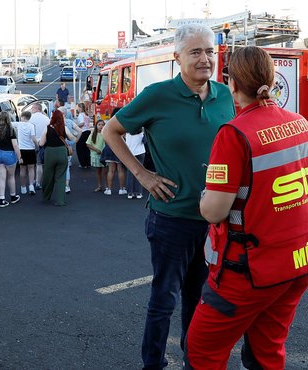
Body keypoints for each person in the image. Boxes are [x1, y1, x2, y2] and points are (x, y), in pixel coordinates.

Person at [186, 46, 308, 369]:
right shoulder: (300, 125)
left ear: (233, 85)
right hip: (298, 264)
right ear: (270, 80)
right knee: (266, 352)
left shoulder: (233, 134)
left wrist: (201, 197)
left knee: (201, 351)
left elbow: (213, 211)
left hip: (248, 272)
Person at [101, 23, 235, 369]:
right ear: (177, 58)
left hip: (214, 222)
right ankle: (153, 363)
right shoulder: (157, 95)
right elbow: (110, 130)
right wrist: (142, 174)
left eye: (209, 51)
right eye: (195, 52)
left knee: (199, 300)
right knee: (164, 299)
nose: (205, 59)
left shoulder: (226, 97)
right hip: (171, 219)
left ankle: (195, 361)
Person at [38, 109, 75, 206]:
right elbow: (72, 138)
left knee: (48, 176)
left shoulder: (47, 128)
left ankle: (46, 196)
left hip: (50, 152)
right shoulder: (65, 128)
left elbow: (41, 143)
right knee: (61, 177)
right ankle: (60, 200)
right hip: (62, 152)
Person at [17, 110, 38, 195]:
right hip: (30, 149)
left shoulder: (18, 124)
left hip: (21, 149)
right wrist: (37, 145)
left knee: (22, 169)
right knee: (31, 168)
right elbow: (33, 137)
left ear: (23, 117)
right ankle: (31, 186)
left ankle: (23, 187)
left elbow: (9, 123)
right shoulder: (32, 126)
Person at [29, 104, 50, 190]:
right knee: (39, 164)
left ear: (36, 108)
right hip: (43, 142)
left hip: (31, 144)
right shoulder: (46, 119)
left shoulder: (30, 118)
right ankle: (38, 182)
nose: (31, 109)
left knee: (31, 165)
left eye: (32, 108)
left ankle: (32, 181)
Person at [86, 119, 107, 192]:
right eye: (99, 125)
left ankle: (107, 186)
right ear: (96, 126)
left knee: (105, 172)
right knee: (98, 172)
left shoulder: (105, 134)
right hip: (96, 155)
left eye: (102, 125)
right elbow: (88, 144)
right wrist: (96, 150)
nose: (101, 126)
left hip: (104, 155)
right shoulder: (93, 134)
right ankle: (99, 186)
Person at [124, 131, 146, 199]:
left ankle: (130, 193)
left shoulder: (126, 130)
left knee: (130, 173)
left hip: (129, 152)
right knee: (140, 173)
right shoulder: (141, 129)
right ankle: (139, 192)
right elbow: (145, 141)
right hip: (140, 151)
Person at [74, 102, 92, 168]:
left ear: (80, 108)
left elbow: (82, 123)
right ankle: (87, 163)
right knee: (86, 148)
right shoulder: (86, 115)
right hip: (88, 131)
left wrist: (76, 126)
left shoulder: (80, 115)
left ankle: (83, 163)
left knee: (79, 148)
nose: (77, 109)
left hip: (83, 132)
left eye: (78, 107)